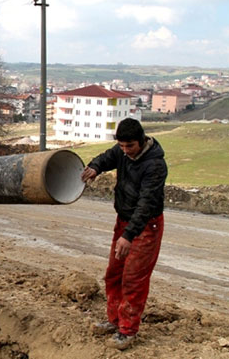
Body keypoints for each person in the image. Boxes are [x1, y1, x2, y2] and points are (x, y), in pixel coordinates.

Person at [81, 117, 167, 351]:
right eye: (122, 146)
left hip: (146, 226)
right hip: (123, 222)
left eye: (130, 146)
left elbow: (146, 204)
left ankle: (128, 330)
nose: (125, 151)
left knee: (133, 279)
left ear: (141, 141)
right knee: (114, 274)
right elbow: (107, 157)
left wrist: (128, 236)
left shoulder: (155, 166)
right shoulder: (121, 152)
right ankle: (114, 320)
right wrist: (95, 167)